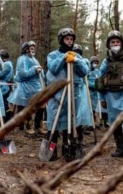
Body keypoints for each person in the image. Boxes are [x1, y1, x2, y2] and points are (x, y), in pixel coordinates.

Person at [45, 28, 89, 161]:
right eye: (67, 39)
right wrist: (63, 58)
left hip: (73, 92)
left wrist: (77, 61)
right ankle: (51, 151)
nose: (69, 42)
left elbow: (84, 72)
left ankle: (68, 149)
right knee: (55, 120)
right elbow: (53, 69)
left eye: (71, 39)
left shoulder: (77, 56)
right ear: (61, 40)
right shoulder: (53, 55)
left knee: (71, 121)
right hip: (57, 92)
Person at [7, 41, 46, 135]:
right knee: (27, 107)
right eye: (31, 48)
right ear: (26, 49)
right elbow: (22, 74)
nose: (33, 50)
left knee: (42, 105)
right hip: (26, 88)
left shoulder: (34, 59)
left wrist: (41, 71)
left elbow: (40, 73)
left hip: (36, 87)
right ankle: (29, 126)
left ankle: (38, 126)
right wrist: (34, 69)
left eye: (33, 48)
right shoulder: (22, 59)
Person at [0, 49, 14, 123]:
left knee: (4, 102)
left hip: (4, 86)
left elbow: (1, 74)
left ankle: (6, 119)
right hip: (5, 85)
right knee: (5, 102)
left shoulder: (6, 64)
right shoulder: (8, 64)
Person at [87, 56, 101, 128]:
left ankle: (94, 123)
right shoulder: (87, 70)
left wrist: (99, 85)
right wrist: (93, 85)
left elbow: (99, 79)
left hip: (95, 93)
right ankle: (89, 124)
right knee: (89, 107)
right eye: (94, 62)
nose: (95, 64)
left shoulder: (97, 71)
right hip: (89, 91)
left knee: (94, 108)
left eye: (96, 62)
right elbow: (86, 81)